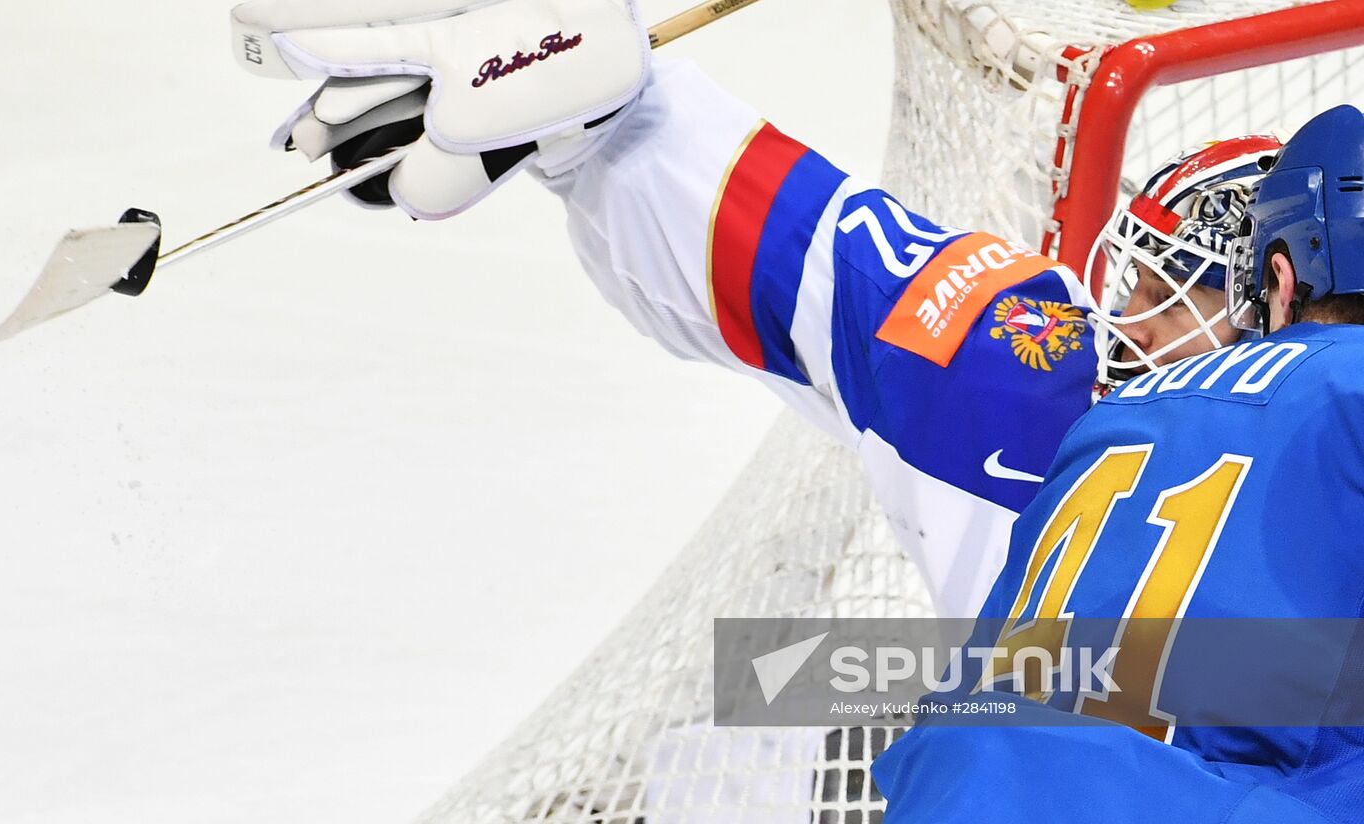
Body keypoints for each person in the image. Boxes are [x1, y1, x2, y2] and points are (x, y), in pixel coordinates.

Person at [228, 0, 1270, 620]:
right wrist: (608, 119)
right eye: (1135, 277)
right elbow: (812, 252)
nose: (1125, 315)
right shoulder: (1027, 366)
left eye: (1170, 291)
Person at [870, 104, 1364, 823]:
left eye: (1164, 296)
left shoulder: (1104, 416)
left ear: (1278, 283)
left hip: (955, 791)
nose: (1134, 324)